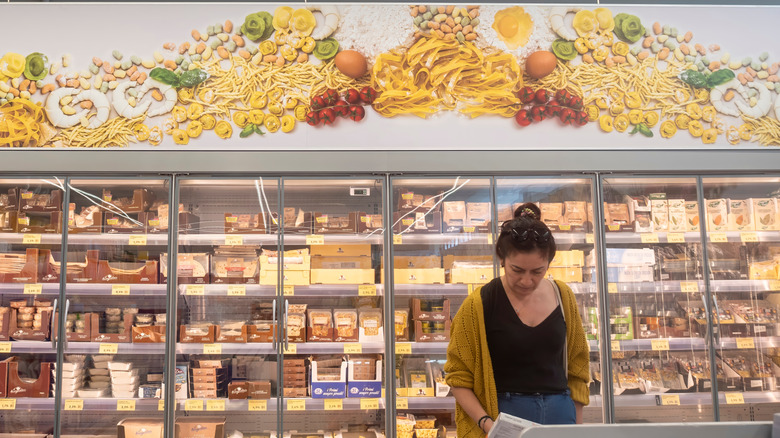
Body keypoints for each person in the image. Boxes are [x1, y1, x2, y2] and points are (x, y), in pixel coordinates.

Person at [444, 203, 590, 436]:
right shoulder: (478, 304)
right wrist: (487, 425)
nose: (526, 281)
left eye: (537, 272)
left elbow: (578, 366)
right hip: (503, 418)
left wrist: (576, 425)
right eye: (517, 270)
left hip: (561, 415)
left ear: (549, 264)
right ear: (501, 258)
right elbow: (458, 376)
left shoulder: (563, 296)